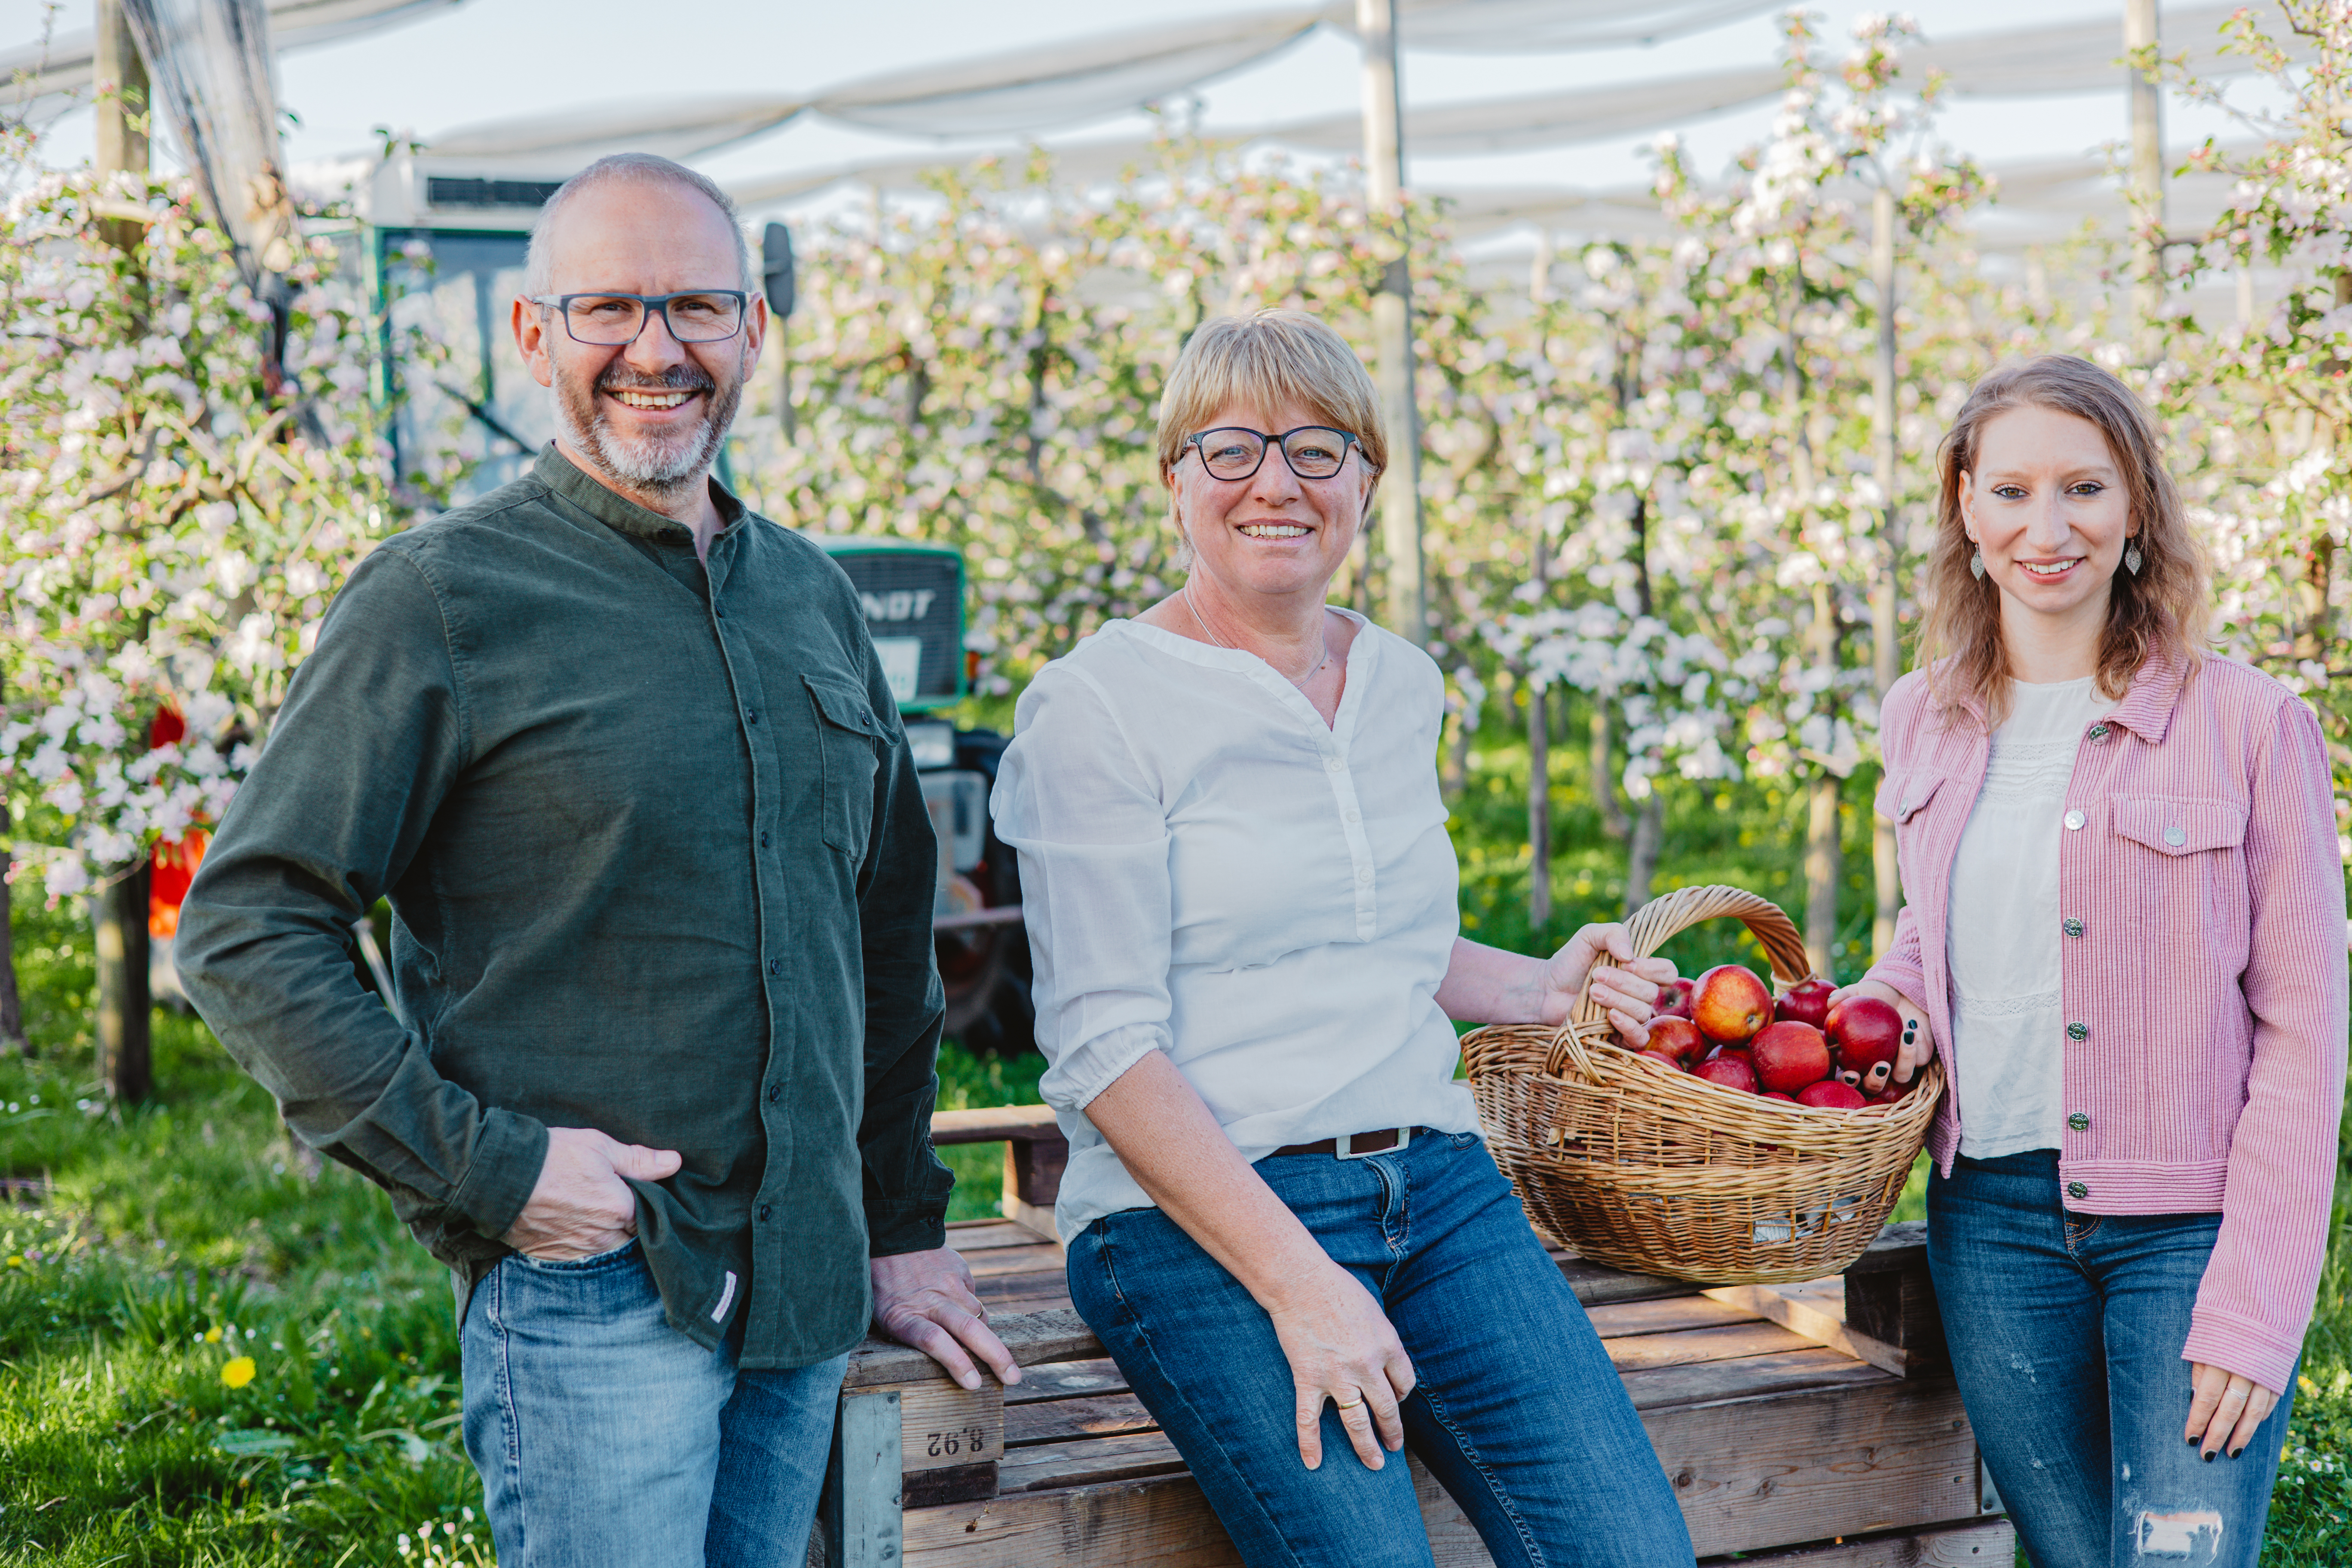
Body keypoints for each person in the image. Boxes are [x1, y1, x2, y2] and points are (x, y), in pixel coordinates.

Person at [174, 153, 1017, 1568]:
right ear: (533, 335)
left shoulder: (811, 597)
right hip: (599, 1280)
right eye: (609, 309)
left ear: (754, 329)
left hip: (804, 1281)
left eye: (697, 307)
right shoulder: (442, 599)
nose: (656, 349)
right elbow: (247, 927)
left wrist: (896, 1221)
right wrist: (492, 1173)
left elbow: (882, 941)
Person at [991, 309, 1695, 1568]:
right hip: (1202, 1214)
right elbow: (1103, 1052)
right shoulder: (1097, 708)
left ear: (1367, 480)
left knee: (1630, 1553)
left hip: (1440, 1185)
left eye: (1318, 450)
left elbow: (1381, 942)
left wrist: (1543, 987)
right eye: (1232, 449)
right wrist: (1302, 1284)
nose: (1277, 483)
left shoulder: (1400, 682)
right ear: (1175, 479)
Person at [1838, 354, 2346, 1568]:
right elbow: (1935, 926)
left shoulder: (2252, 723)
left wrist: (2259, 1300)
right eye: (2012, 491)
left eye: (2084, 488)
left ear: (2136, 509)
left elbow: (2305, 1033)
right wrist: (1888, 1001)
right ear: (1967, 508)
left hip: (2188, 1235)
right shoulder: (1922, 716)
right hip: (1992, 1227)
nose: (2048, 528)